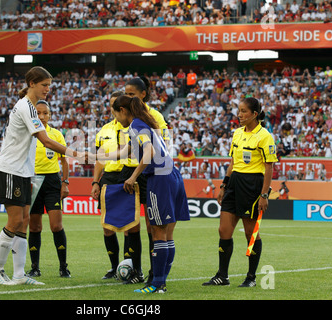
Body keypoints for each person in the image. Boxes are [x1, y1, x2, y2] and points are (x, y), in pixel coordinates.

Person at [0, 66, 87, 286]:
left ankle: (19, 275)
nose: (47, 90)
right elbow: (46, 141)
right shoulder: (26, 107)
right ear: (32, 83)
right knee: (15, 221)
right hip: (10, 171)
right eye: (44, 85)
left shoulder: (31, 107)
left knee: (24, 222)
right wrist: (77, 153)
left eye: (49, 86)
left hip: (24, 173)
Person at [108, 95, 190, 293]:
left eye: (115, 113)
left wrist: (133, 176)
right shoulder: (143, 124)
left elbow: (148, 153)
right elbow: (127, 150)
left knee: (158, 232)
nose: (115, 118)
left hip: (159, 179)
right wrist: (94, 156)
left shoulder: (136, 125)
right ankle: (160, 280)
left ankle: (157, 283)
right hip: (172, 175)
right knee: (166, 234)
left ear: (123, 111)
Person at [202, 97, 278, 288]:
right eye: (239, 110)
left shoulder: (265, 136)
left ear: (254, 114)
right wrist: (223, 186)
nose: (239, 114)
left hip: (253, 185)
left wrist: (264, 195)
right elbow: (232, 163)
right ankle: (222, 276)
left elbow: (269, 168)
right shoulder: (237, 134)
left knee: (251, 233)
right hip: (234, 182)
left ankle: (251, 277)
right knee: (224, 230)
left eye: (244, 111)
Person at [117, 76, 170, 285]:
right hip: (128, 171)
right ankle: (135, 271)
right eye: (126, 94)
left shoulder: (153, 116)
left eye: (131, 94)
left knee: (151, 226)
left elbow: (160, 146)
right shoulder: (123, 116)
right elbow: (126, 148)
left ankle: (153, 273)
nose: (127, 97)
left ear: (142, 95)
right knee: (130, 225)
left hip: (146, 173)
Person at [27, 100, 71, 278]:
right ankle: (35, 267)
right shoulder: (29, 134)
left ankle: (63, 267)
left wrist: (65, 182)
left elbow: (64, 160)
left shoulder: (56, 135)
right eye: (38, 113)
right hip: (32, 181)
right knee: (35, 227)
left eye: (45, 113)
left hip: (52, 182)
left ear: (50, 115)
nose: (42, 116)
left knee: (56, 225)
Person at [91, 91, 129, 280]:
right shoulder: (104, 130)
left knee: (129, 226)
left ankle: (131, 266)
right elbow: (99, 159)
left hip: (127, 177)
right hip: (109, 178)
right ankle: (115, 268)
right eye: (112, 104)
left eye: (117, 103)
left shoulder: (132, 127)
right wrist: (95, 182)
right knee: (107, 227)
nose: (114, 107)